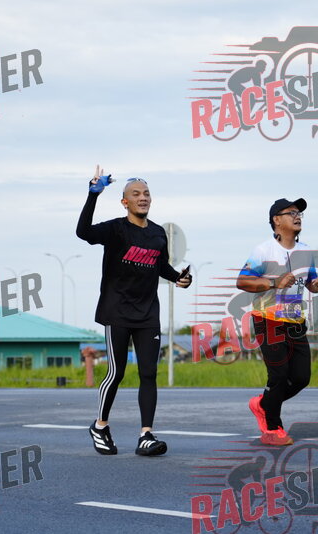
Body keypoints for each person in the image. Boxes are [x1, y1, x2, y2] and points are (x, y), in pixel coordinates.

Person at [76, 165, 192, 456]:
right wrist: (93, 195)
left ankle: (146, 435)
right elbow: (83, 232)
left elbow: (161, 266)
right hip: (116, 311)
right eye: (136, 194)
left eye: (147, 193)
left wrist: (179, 278)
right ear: (125, 201)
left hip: (148, 313)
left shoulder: (158, 233)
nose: (143, 198)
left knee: (149, 373)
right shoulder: (116, 229)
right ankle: (100, 425)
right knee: (116, 372)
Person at [237, 198, 318, 446]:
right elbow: (242, 281)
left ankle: (263, 404)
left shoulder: (306, 252)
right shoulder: (263, 251)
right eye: (291, 213)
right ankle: (272, 428)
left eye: (299, 213)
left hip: (295, 321)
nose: (297, 217)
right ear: (277, 220)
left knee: (301, 378)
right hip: (267, 319)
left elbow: (310, 282)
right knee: (278, 375)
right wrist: (274, 282)